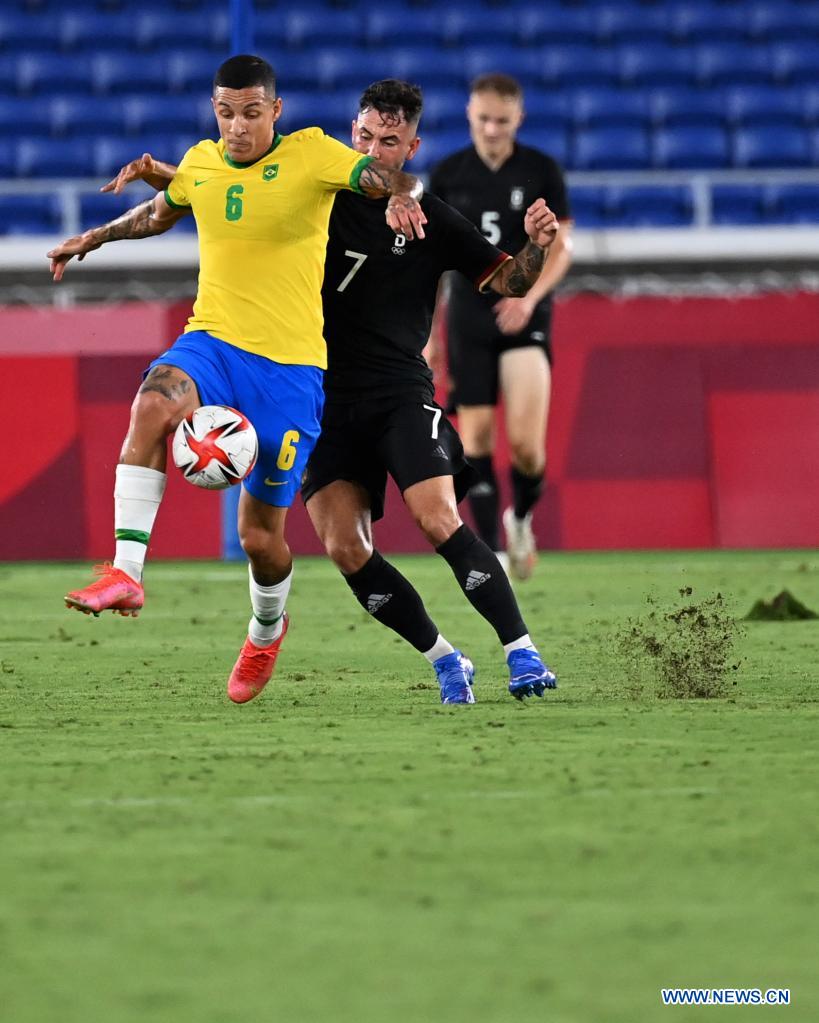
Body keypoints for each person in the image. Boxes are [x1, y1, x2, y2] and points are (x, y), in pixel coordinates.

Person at [113, 79, 560, 704]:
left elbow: (508, 282)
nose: (377, 152)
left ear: (413, 144)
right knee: (346, 547)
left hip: (399, 390)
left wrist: (536, 249)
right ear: (354, 134)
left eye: (392, 143)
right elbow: (227, 181)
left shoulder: (434, 219)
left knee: (437, 518)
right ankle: (445, 657)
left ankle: (522, 651)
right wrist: (164, 176)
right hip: (317, 394)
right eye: (367, 138)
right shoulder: (318, 190)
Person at [47, 55, 428, 706]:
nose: (237, 127)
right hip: (214, 343)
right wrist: (96, 237)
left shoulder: (311, 154)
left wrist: (396, 192)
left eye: (251, 113)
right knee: (151, 402)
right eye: (225, 113)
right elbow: (164, 210)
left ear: (274, 111)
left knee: (261, 539)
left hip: (290, 373)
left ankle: (265, 629)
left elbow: (373, 173)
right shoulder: (201, 161)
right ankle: (126, 570)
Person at [428, 73, 573, 580]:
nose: (491, 129)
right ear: (470, 114)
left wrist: (528, 299)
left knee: (529, 447)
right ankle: (492, 548)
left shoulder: (540, 170)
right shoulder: (447, 174)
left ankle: (522, 516)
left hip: (523, 316)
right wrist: (431, 337)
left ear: (519, 119)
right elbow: (435, 266)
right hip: (469, 316)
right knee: (476, 441)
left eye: (502, 121)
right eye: (483, 119)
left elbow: (562, 248)